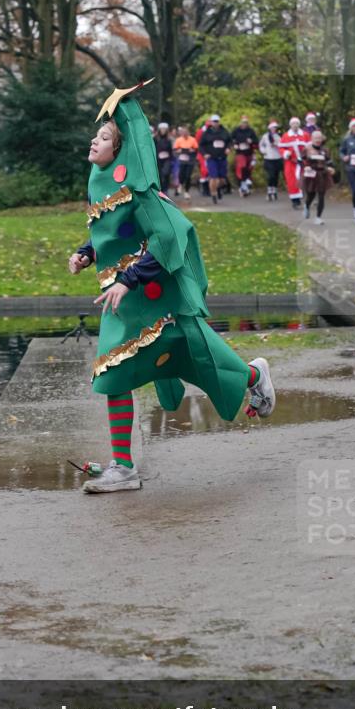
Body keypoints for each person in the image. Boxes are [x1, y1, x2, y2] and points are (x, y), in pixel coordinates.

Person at [68, 82, 276, 493]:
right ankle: (123, 467)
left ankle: (254, 375)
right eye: (99, 134)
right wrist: (87, 253)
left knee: (193, 355)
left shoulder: (142, 193)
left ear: (122, 151)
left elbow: (170, 237)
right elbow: (114, 235)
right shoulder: (105, 185)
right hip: (125, 303)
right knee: (115, 374)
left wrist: (129, 280)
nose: (96, 139)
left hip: (153, 302)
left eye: (106, 137)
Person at [301, 130, 335, 224]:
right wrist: (306, 166)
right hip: (311, 174)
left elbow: (329, 161)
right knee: (311, 195)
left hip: (322, 174)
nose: (318, 140)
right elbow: (301, 160)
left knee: (321, 196)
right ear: (312, 138)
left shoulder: (325, 150)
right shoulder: (307, 149)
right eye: (316, 138)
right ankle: (307, 206)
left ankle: (318, 217)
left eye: (319, 138)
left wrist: (331, 168)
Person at [199, 113, 231, 204]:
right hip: (211, 158)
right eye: (214, 121)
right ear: (211, 122)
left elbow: (229, 141)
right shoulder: (206, 133)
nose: (215, 123)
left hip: (222, 157)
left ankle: (219, 188)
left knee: (222, 179)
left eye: (217, 121)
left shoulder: (224, 131)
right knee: (213, 177)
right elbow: (201, 145)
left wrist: (228, 148)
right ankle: (213, 194)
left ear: (219, 122)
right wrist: (204, 154)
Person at [278, 117, 308, 209]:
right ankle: (295, 201)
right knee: (292, 181)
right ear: (290, 125)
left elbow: (310, 146)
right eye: (293, 124)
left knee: (305, 180)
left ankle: (307, 198)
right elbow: (281, 148)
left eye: (297, 124)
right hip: (291, 162)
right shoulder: (286, 136)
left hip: (303, 162)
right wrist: (286, 153)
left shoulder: (305, 135)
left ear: (299, 125)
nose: (295, 125)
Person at [231, 115, 259, 197]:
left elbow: (256, 141)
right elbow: (231, 139)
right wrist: (234, 144)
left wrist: (251, 141)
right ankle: (242, 185)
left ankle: (245, 185)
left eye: (246, 123)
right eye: (243, 122)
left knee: (249, 168)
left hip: (249, 152)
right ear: (241, 123)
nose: (244, 124)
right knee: (242, 167)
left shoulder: (251, 131)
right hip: (240, 152)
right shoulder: (236, 131)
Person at [259, 121, 283, 201]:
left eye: (275, 127)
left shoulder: (279, 136)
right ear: (270, 128)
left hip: (277, 157)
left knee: (276, 175)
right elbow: (261, 145)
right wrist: (264, 151)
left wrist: (276, 145)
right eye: (273, 127)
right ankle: (269, 190)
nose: (274, 129)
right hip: (269, 158)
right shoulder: (265, 136)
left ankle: (274, 190)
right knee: (271, 175)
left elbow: (282, 145)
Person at [174, 125, 198, 200]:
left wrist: (192, 150)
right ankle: (180, 185)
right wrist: (179, 151)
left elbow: (196, 149)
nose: (184, 134)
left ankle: (187, 192)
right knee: (181, 174)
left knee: (188, 176)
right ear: (181, 133)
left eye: (186, 132)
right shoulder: (178, 140)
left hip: (190, 160)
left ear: (188, 132)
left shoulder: (192, 139)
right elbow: (175, 149)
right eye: (183, 132)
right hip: (182, 159)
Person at [154, 121, 173, 193]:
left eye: (164, 129)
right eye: (161, 129)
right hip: (158, 159)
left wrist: (171, 158)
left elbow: (171, 150)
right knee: (160, 175)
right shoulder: (155, 138)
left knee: (166, 173)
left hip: (167, 159)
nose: (163, 130)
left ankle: (166, 189)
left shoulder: (169, 139)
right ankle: (161, 190)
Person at [195, 119, 211, 196]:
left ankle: (209, 189)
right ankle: (204, 189)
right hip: (202, 154)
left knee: (210, 172)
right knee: (204, 171)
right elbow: (197, 143)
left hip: (211, 153)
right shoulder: (201, 132)